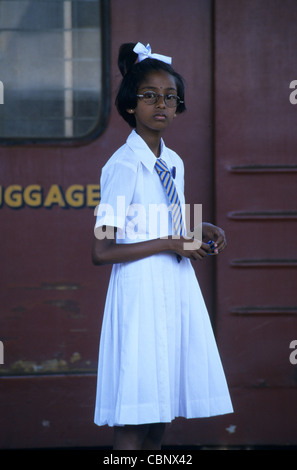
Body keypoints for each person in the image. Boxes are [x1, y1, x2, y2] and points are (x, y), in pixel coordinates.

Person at [92, 42, 233, 450]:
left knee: (160, 416)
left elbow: (163, 219)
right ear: (130, 106)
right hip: (140, 296)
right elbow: (102, 250)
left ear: (178, 107)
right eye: (150, 96)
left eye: (170, 98)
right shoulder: (123, 165)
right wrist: (171, 241)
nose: (161, 104)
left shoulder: (173, 161)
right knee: (136, 417)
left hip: (174, 291)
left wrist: (197, 227)